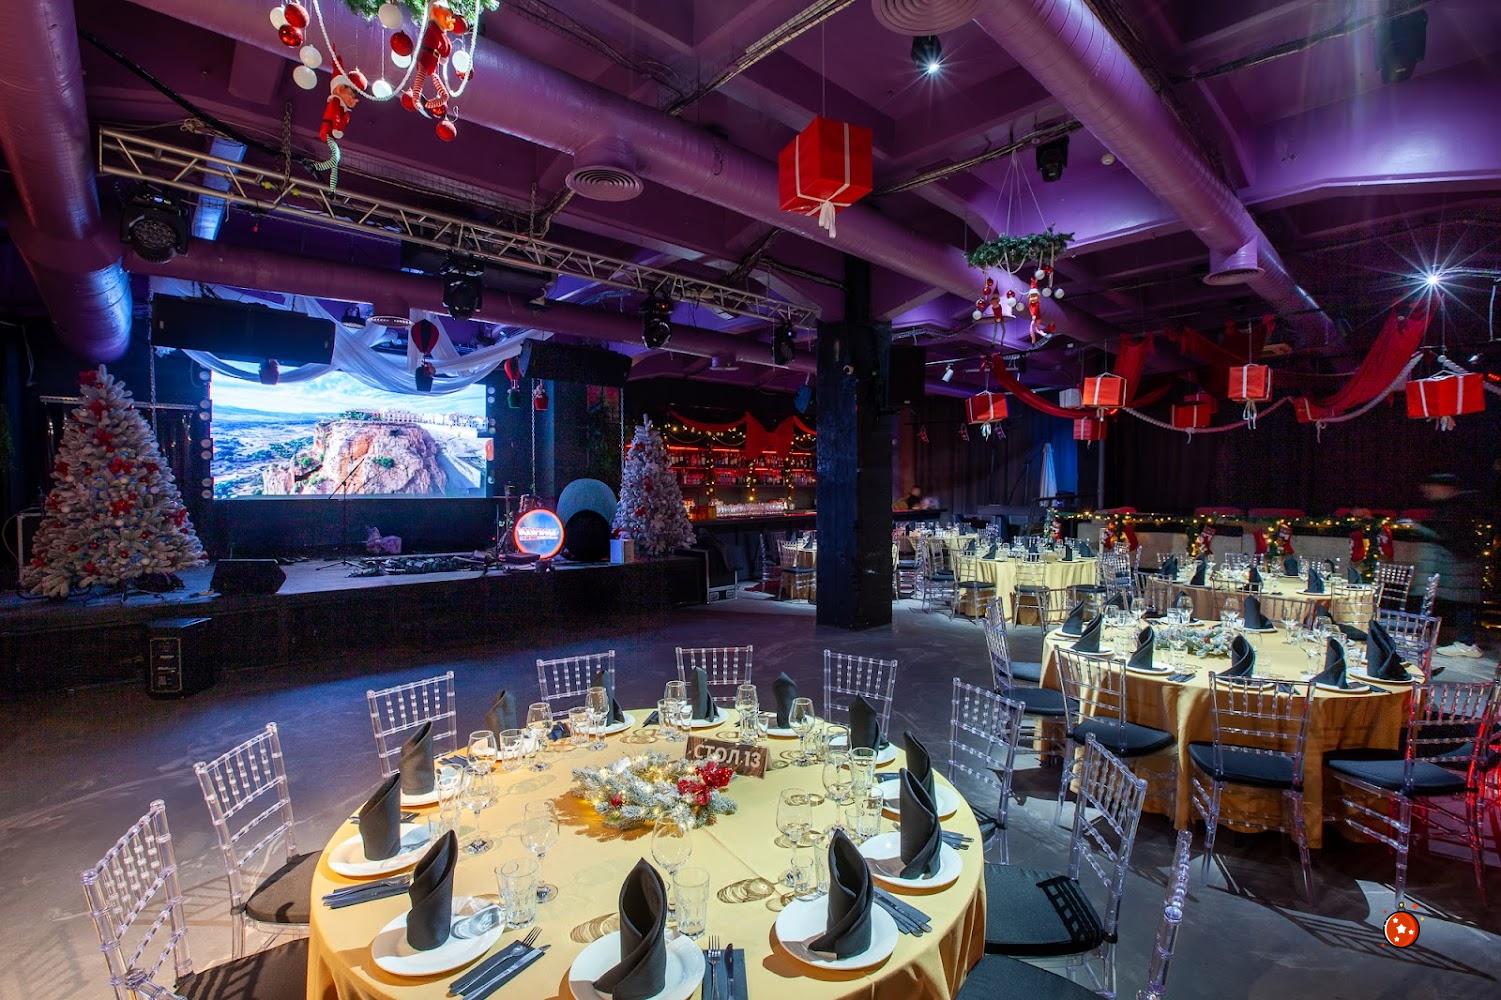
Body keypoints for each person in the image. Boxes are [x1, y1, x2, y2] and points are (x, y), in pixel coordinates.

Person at [1414, 473, 1485, 658]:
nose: (1427, 492)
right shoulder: (1454, 505)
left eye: (1430, 488)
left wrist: (1420, 528)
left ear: (1444, 487)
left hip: (1461, 564)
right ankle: (1462, 641)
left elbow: (1449, 534)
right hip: (1458, 565)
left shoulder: (1457, 506)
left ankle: (1466, 643)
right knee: (1459, 602)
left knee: (1463, 602)